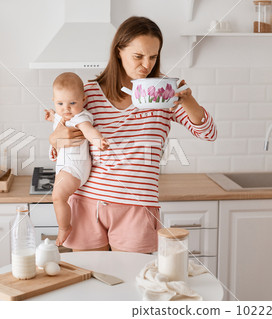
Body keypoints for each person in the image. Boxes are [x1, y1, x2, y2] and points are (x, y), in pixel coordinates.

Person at [48, 16, 217, 253]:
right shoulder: (88, 94)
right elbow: (60, 144)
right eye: (138, 56)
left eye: (153, 57)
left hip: (137, 208)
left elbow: (208, 133)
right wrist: (54, 139)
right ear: (119, 52)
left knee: (130, 285)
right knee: (90, 282)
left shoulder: (163, 95)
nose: (146, 65)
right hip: (87, 203)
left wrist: (189, 101)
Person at [45, 72, 109, 246]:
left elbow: (88, 131)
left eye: (72, 103)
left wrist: (98, 140)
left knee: (58, 197)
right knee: (59, 197)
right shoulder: (63, 115)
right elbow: (59, 118)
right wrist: (52, 115)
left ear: (83, 100)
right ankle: (65, 226)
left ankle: (64, 227)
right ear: (54, 101)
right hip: (66, 167)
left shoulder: (80, 116)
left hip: (75, 168)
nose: (66, 108)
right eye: (60, 103)